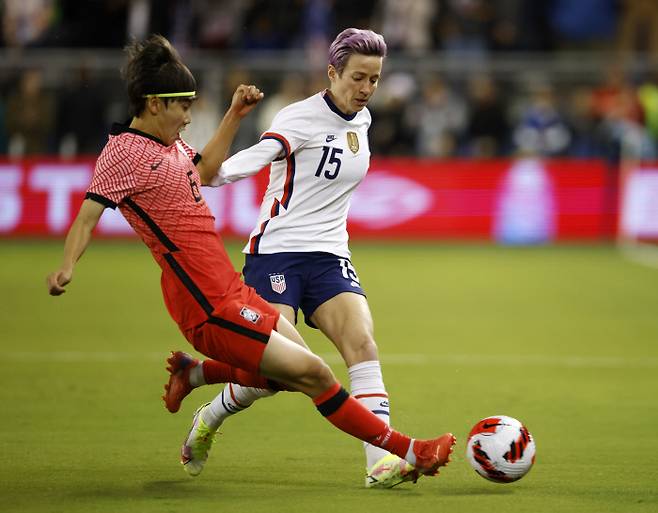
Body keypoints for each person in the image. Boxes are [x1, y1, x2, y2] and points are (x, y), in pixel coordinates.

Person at [45, 34, 456, 483]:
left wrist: (233, 115)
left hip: (276, 269)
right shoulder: (126, 152)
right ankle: (405, 451)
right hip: (253, 268)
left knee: (319, 360)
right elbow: (99, 212)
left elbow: (200, 169)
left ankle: (199, 375)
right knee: (309, 372)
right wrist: (67, 266)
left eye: (374, 79)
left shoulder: (172, 147)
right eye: (182, 105)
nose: (188, 116)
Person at [163, 28, 437, 488]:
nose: (367, 89)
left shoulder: (363, 121)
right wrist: (215, 168)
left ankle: (379, 461)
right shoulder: (300, 118)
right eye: (358, 78)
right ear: (332, 73)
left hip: (330, 255)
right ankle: (207, 410)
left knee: (363, 346)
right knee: (280, 374)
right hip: (277, 256)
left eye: (374, 79)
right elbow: (232, 168)